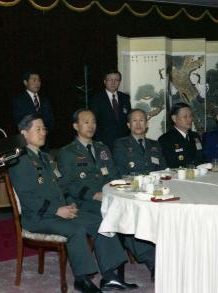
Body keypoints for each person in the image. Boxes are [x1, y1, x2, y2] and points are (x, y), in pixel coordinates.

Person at [8, 113, 134, 292]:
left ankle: (109, 276)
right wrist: (57, 210)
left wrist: (69, 203)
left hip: (59, 210)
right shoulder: (18, 160)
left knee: (100, 223)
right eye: (38, 129)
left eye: (44, 129)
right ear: (24, 133)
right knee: (77, 230)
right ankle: (82, 280)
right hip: (38, 217)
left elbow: (61, 187)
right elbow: (28, 198)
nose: (43, 132)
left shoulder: (47, 157)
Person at [58, 109, 155, 283]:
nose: (91, 126)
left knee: (131, 212)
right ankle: (110, 275)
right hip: (84, 203)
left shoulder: (102, 148)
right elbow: (68, 185)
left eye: (93, 121)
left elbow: (113, 175)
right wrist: (94, 195)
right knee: (111, 217)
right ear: (75, 126)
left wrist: (119, 192)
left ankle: (153, 262)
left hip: (107, 198)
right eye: (86, 122)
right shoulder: (67, 152)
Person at [113, 108, 166, 176]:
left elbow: (162, 169)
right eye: (134, 120)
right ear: (129, 125)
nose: (138, 124)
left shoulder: (155, 144)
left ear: (146, 124)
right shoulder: (121, 144)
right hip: (132, 184)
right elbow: (120, 171)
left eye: (141, 120)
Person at [12, 70, 55, 147]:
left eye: (39, 80)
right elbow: (19, 121)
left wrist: (44, 131)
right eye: (34, 80)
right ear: (25, 82)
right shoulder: (18, 100)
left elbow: (51, 119)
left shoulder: (45, 100)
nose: (37, 83)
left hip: (44, 141)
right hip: (27, 142)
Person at [90, 69, 131, 149]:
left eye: (116, 80)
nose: (113, 82)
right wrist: (98, 141)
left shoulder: (125, 97)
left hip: (123, 143)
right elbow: (93, 121)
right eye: (110, 80)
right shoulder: (97, 99)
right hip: (103, 143)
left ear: (119, 82)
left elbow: (129, 119)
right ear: (105, 81)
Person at [158, 103, 205, 168]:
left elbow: (202, 157)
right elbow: (168, 164)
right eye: (185, 116)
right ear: (174, 118)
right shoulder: (166, 139)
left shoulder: (195, 136)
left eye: (190, 116)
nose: (190, 119)